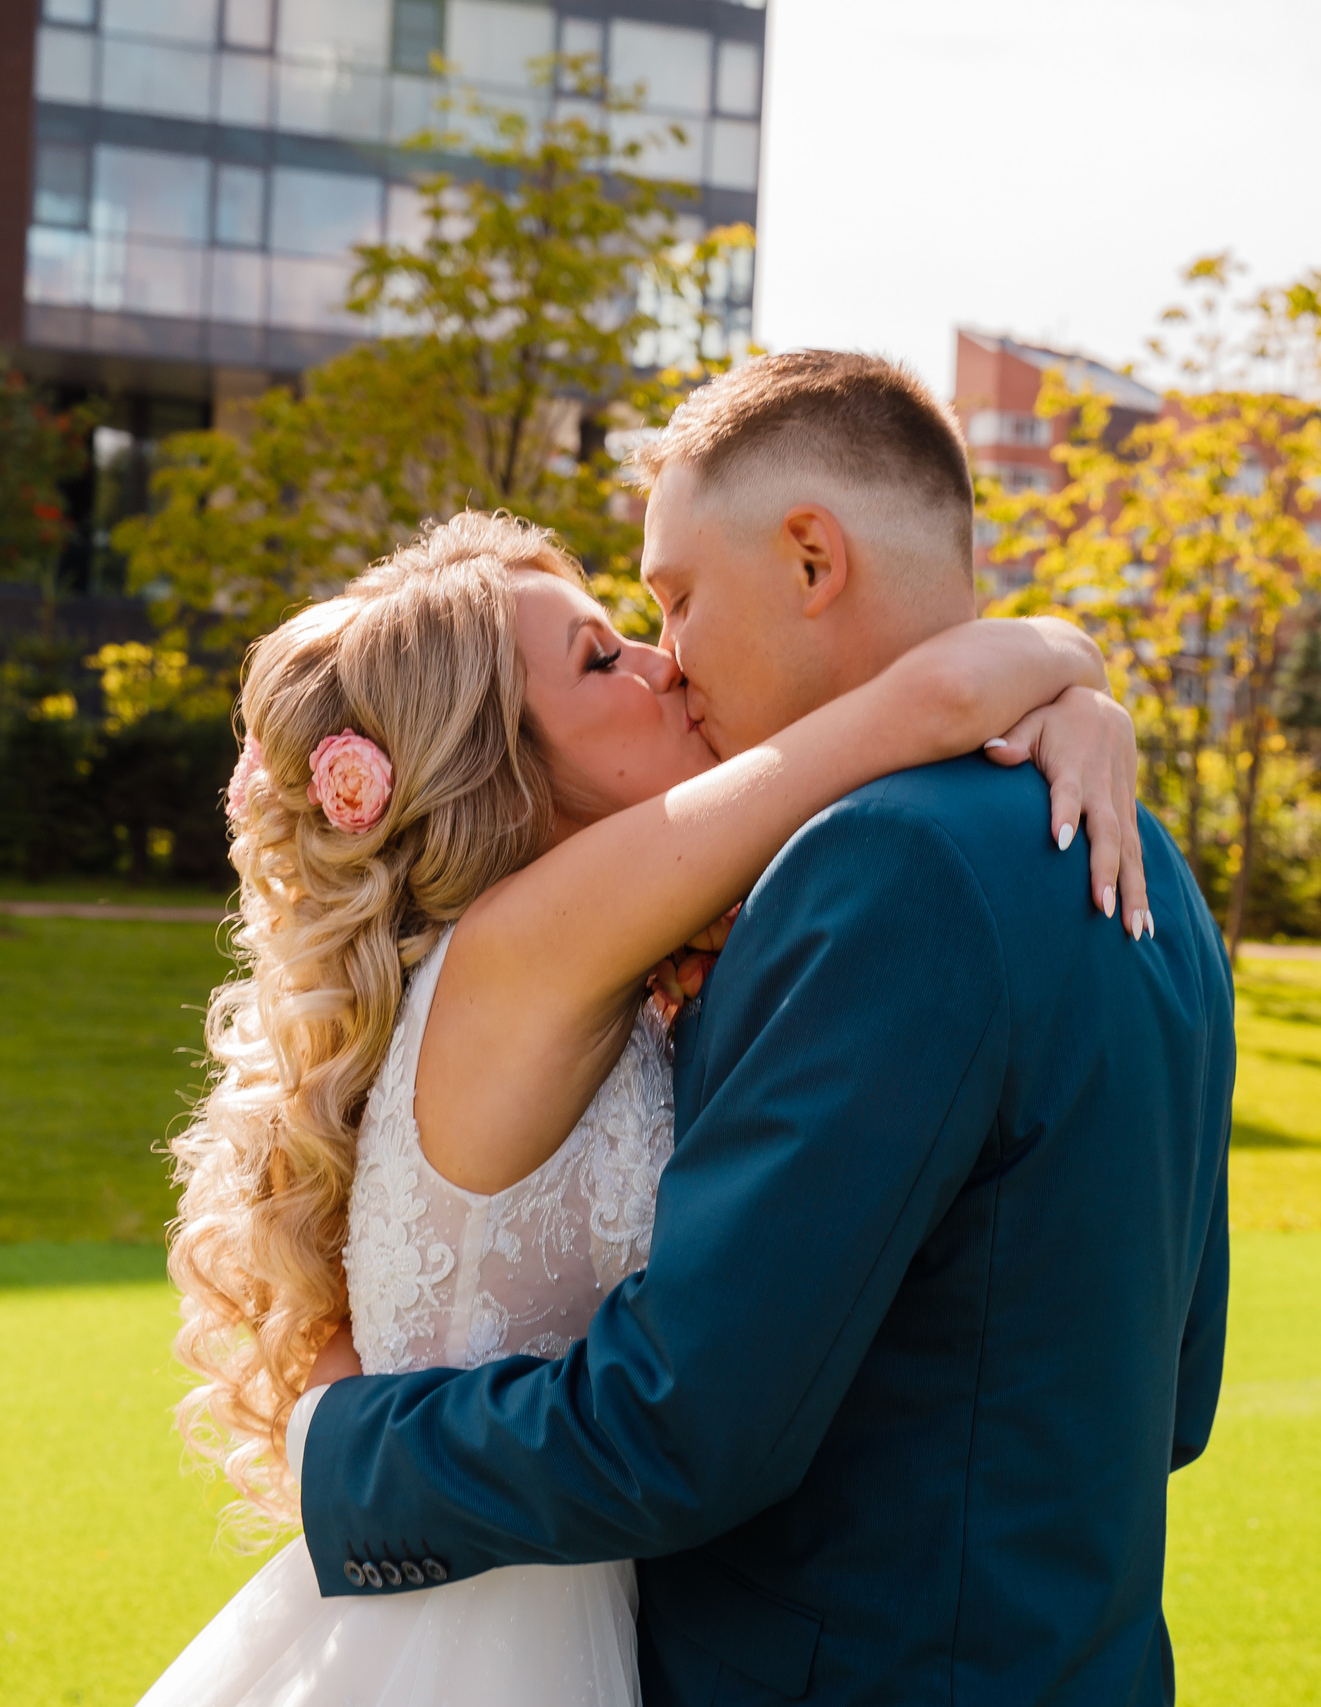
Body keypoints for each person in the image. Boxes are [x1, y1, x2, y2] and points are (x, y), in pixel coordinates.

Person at [283, 352, 1236, 1707]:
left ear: (810, 559)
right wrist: (1071, 671)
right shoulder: (1148, 866)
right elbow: (1174, 1398)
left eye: (673, 600)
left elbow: (687, 1428)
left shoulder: (880, 871)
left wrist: (339, 1449)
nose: (666, 656)